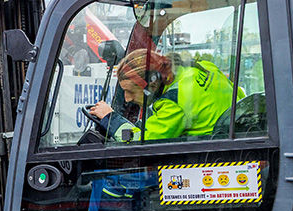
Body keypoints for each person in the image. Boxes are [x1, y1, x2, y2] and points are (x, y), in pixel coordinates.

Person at [88, 48, 240, 142]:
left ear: (152, 84)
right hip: (232, 137)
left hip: (205, 157)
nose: (127, 99)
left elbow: (141, 142)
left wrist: (111, 119)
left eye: (131, 91)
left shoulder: (174, 102)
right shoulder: (203, 67)